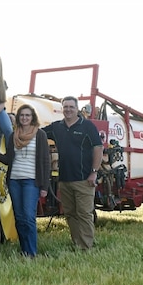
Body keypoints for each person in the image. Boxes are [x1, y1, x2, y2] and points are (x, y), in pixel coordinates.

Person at [44, 95, 103, 250]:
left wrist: (94, 172)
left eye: (71, 107)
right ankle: (77, 243)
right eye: (66, 107)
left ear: (77, 109)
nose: (68, 110)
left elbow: (98, 148)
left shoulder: (87, 126)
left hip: (84, 179)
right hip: (64, 179)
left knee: (84, 214)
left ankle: (86, 247)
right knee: (70, 214)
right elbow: (39, 134)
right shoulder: (57, 127)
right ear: (62, 109)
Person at [0, 104, 51, 257]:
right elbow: (8, 159)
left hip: (31, 182)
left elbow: (46, 162)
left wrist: (45, 186)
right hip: (14, 181)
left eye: (28, 115)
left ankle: (32, 252)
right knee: (19, 218)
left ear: (32, 117)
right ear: (18, 118)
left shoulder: (40, 135)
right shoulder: (13, 136)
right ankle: (24, 250)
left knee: (28, 217)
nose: (24, 118)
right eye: (22, 115)